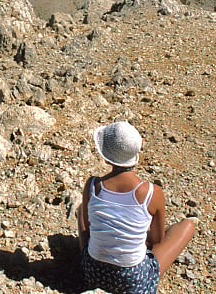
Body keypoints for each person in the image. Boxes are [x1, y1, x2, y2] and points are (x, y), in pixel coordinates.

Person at [78, 120, 196, 294]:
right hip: (132, 280)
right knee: (187, 226)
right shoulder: (151, 193)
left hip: (92, 273)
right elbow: (157, 241)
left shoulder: (93, 185)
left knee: (82, 209)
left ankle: (86, 260)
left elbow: (87, 228)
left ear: (106, 155)